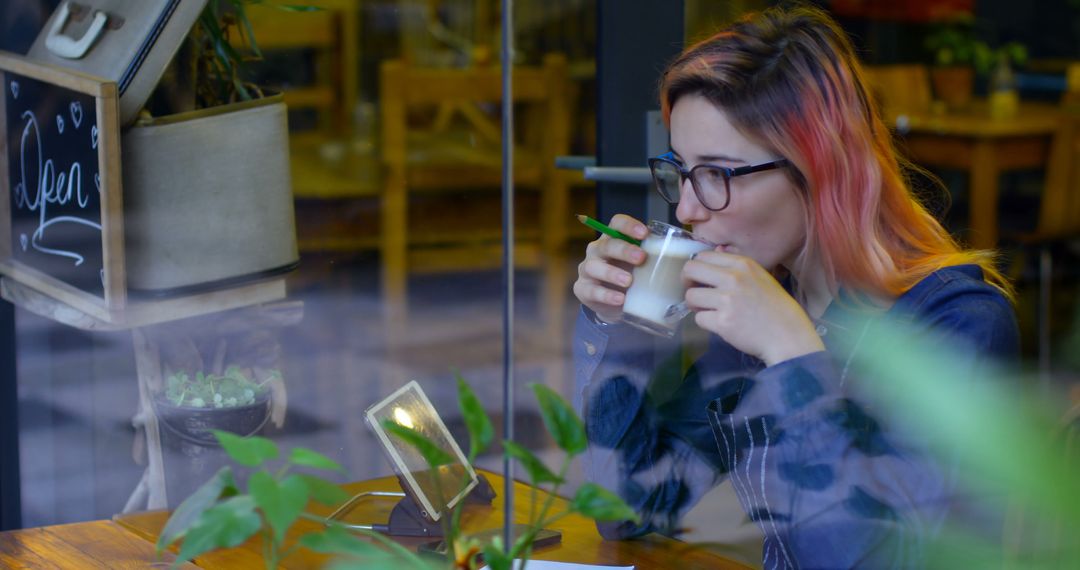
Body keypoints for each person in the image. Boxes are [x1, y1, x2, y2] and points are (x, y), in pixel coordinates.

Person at [571, 6, 1019, 569]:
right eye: (682, 171)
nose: (686, 209)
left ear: (819, 168)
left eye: (717, 174)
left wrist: (790, 355)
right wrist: (615, 321)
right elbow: (631, 506)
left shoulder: (960, 323)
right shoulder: (767, 305)